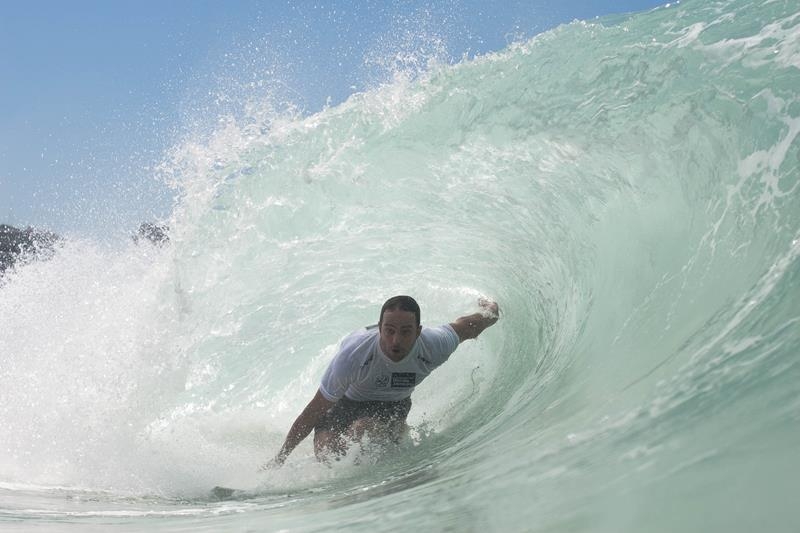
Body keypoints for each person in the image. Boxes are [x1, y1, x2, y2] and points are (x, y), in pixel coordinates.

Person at [268, 295, 500, 466]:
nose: (395, 340)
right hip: (345, 404)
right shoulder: (354, 355)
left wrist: (491, 309)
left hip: (392, 406)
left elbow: (471, 325)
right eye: (388, 330)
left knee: (364, 430)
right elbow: (314, 411)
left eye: (405, 331)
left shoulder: (434, 344)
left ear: (418, 331)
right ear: (379, 328)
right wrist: (280, 459)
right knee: (328, 456)